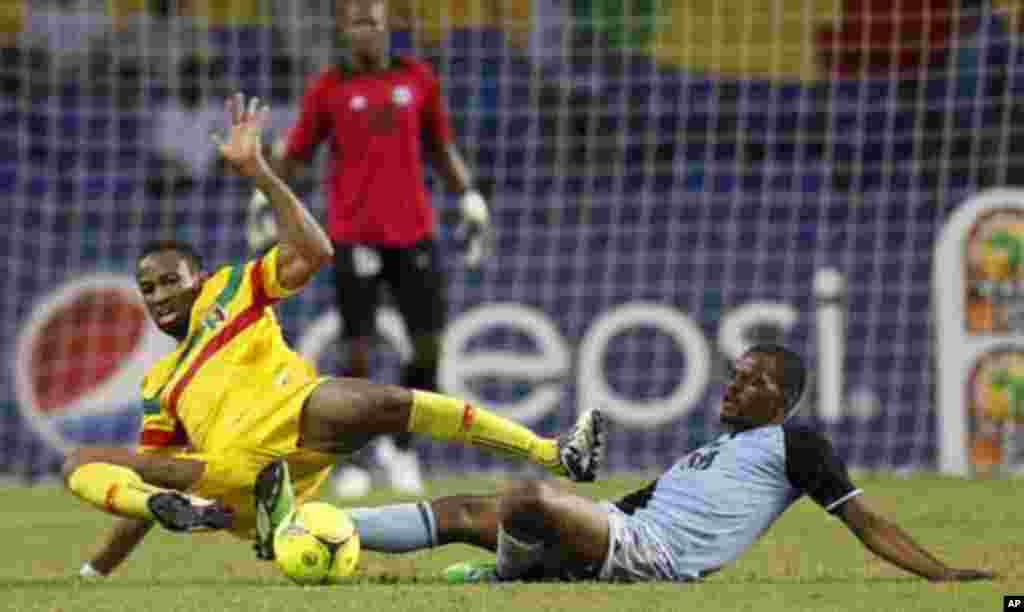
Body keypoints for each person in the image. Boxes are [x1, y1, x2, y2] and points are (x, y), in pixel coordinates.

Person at [64, 93, 605, 578]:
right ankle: (215, 515)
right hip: (228, 474)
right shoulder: (160, 384)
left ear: (199, 280)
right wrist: (97, 570)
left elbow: (318, 252)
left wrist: (259, 172)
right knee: (81, 461)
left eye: (168, 280)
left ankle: (554, 453)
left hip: (296, 415)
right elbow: (153, 478)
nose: (157, 295)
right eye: (147, 287)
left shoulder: (231, 289)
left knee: (388, 401)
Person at [256, 344, 996, 583]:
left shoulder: (796, 446)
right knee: (460, 511)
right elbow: (634, 505)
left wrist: (942, 574)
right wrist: (591, 512)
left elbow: (864, 520)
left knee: (528, 497)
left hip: (660, 559)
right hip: (622, 531)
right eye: (735, 374)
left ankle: (511, 577)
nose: (735, 383)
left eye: (754, 380)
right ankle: (305, 525)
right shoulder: (711, 451)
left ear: (784, 400)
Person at [245, 0, 492, 497]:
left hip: (414, 233)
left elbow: (441, 147)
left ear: (387, 26)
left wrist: (467, 195)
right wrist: (262, 194)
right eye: (355, 21)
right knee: (357, 352)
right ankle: (354, 458)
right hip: (352, 235)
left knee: (429, 348)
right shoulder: (329, 89)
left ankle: (399, 447)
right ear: (343, 28)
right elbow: (296, 154)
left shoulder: (418, 80)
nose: (365, 29)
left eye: (372, 21)